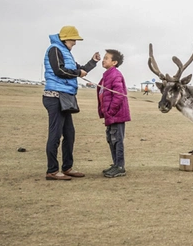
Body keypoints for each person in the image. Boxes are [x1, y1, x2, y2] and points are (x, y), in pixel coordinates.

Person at [43, 26, 100, 181]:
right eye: (73, 39)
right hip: (55, 96)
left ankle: (67, 167)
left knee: (69, 134)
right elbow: (59, 71)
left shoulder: (66, 52)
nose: (75, 43)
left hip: (66, 97)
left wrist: (93, 62)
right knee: (55, 134)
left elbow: (80, 70)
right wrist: (77, 73)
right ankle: (52, 170)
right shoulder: (54, 49)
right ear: (65, 38)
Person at [97, 49, 131, 178]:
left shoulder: (115, 75)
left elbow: (118, 96)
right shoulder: (107, 75)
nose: (103, 60)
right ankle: (115, 164)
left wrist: (110, 111)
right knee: (111, 140)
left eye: (106, 58)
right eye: (104, 58)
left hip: (116, 115)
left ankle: (120, 166)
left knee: (117, 140)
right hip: (110, 115)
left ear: (114, 62)